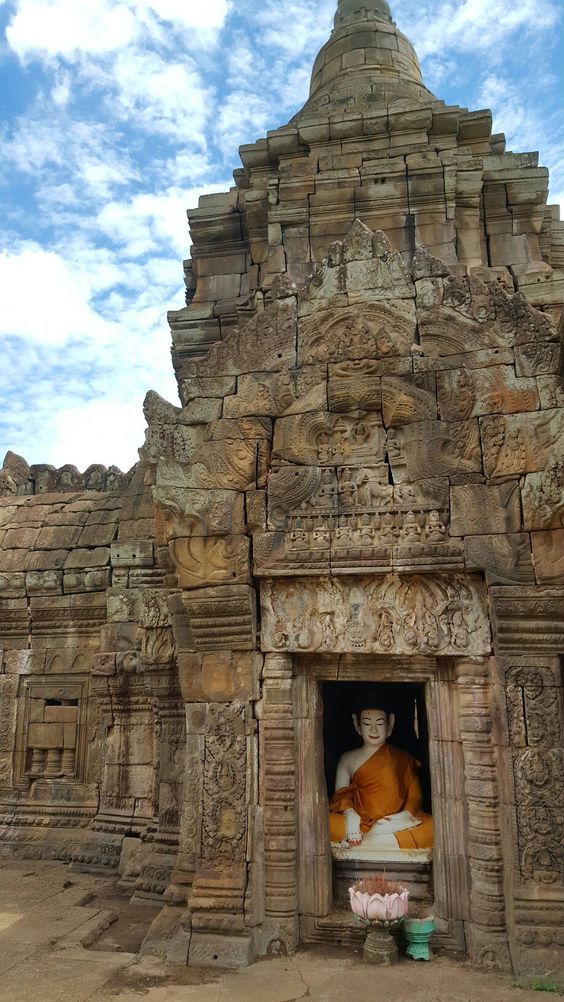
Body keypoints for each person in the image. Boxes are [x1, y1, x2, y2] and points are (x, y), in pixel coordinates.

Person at [329, 696, 433, 850]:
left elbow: (415, 797)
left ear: (390, 725)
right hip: (359, 824)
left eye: (379, 723)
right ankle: (377, 839)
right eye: (366, 723)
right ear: (357, 725)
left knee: (434, 826)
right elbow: (341, 797)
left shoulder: (404, 759)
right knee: (322, 821)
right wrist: (350, 815)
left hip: (392, 823)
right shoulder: (347, 759)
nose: (373, 730)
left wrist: (405, 815)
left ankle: (365, 844)